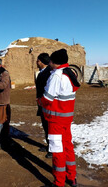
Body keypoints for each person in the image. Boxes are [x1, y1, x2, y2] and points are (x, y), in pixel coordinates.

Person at [39, 49, 80, 187]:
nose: (49, 62)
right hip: (66, 118)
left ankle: (59, 182)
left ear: (54, 62)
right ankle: (71, 177)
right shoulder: (70, 73)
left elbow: (47, 98)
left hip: (55, 119)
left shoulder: (57, 76)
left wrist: (40, 101)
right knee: (68, 147)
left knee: (57, 150)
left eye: (51, 60)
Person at [35, 53, 52, 158]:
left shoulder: (48, 73)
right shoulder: (43, 72)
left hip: (47, 105)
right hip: (42, 104)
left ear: (41, 62)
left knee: (49, 127)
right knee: (45, 126)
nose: (36, 62)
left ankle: (52, 149)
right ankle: (49, 145)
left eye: (38, 60)